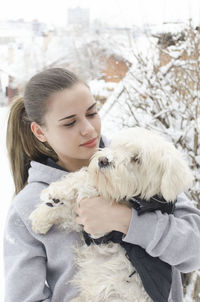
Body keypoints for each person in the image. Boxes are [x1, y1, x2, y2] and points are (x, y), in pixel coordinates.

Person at [3, 67, 200, 302]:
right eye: (69, 123)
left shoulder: (145, 166)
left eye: (92, 112)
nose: (88, 129)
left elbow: (195, 251)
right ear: (39, 131)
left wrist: (126, 221)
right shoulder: (27, 206)